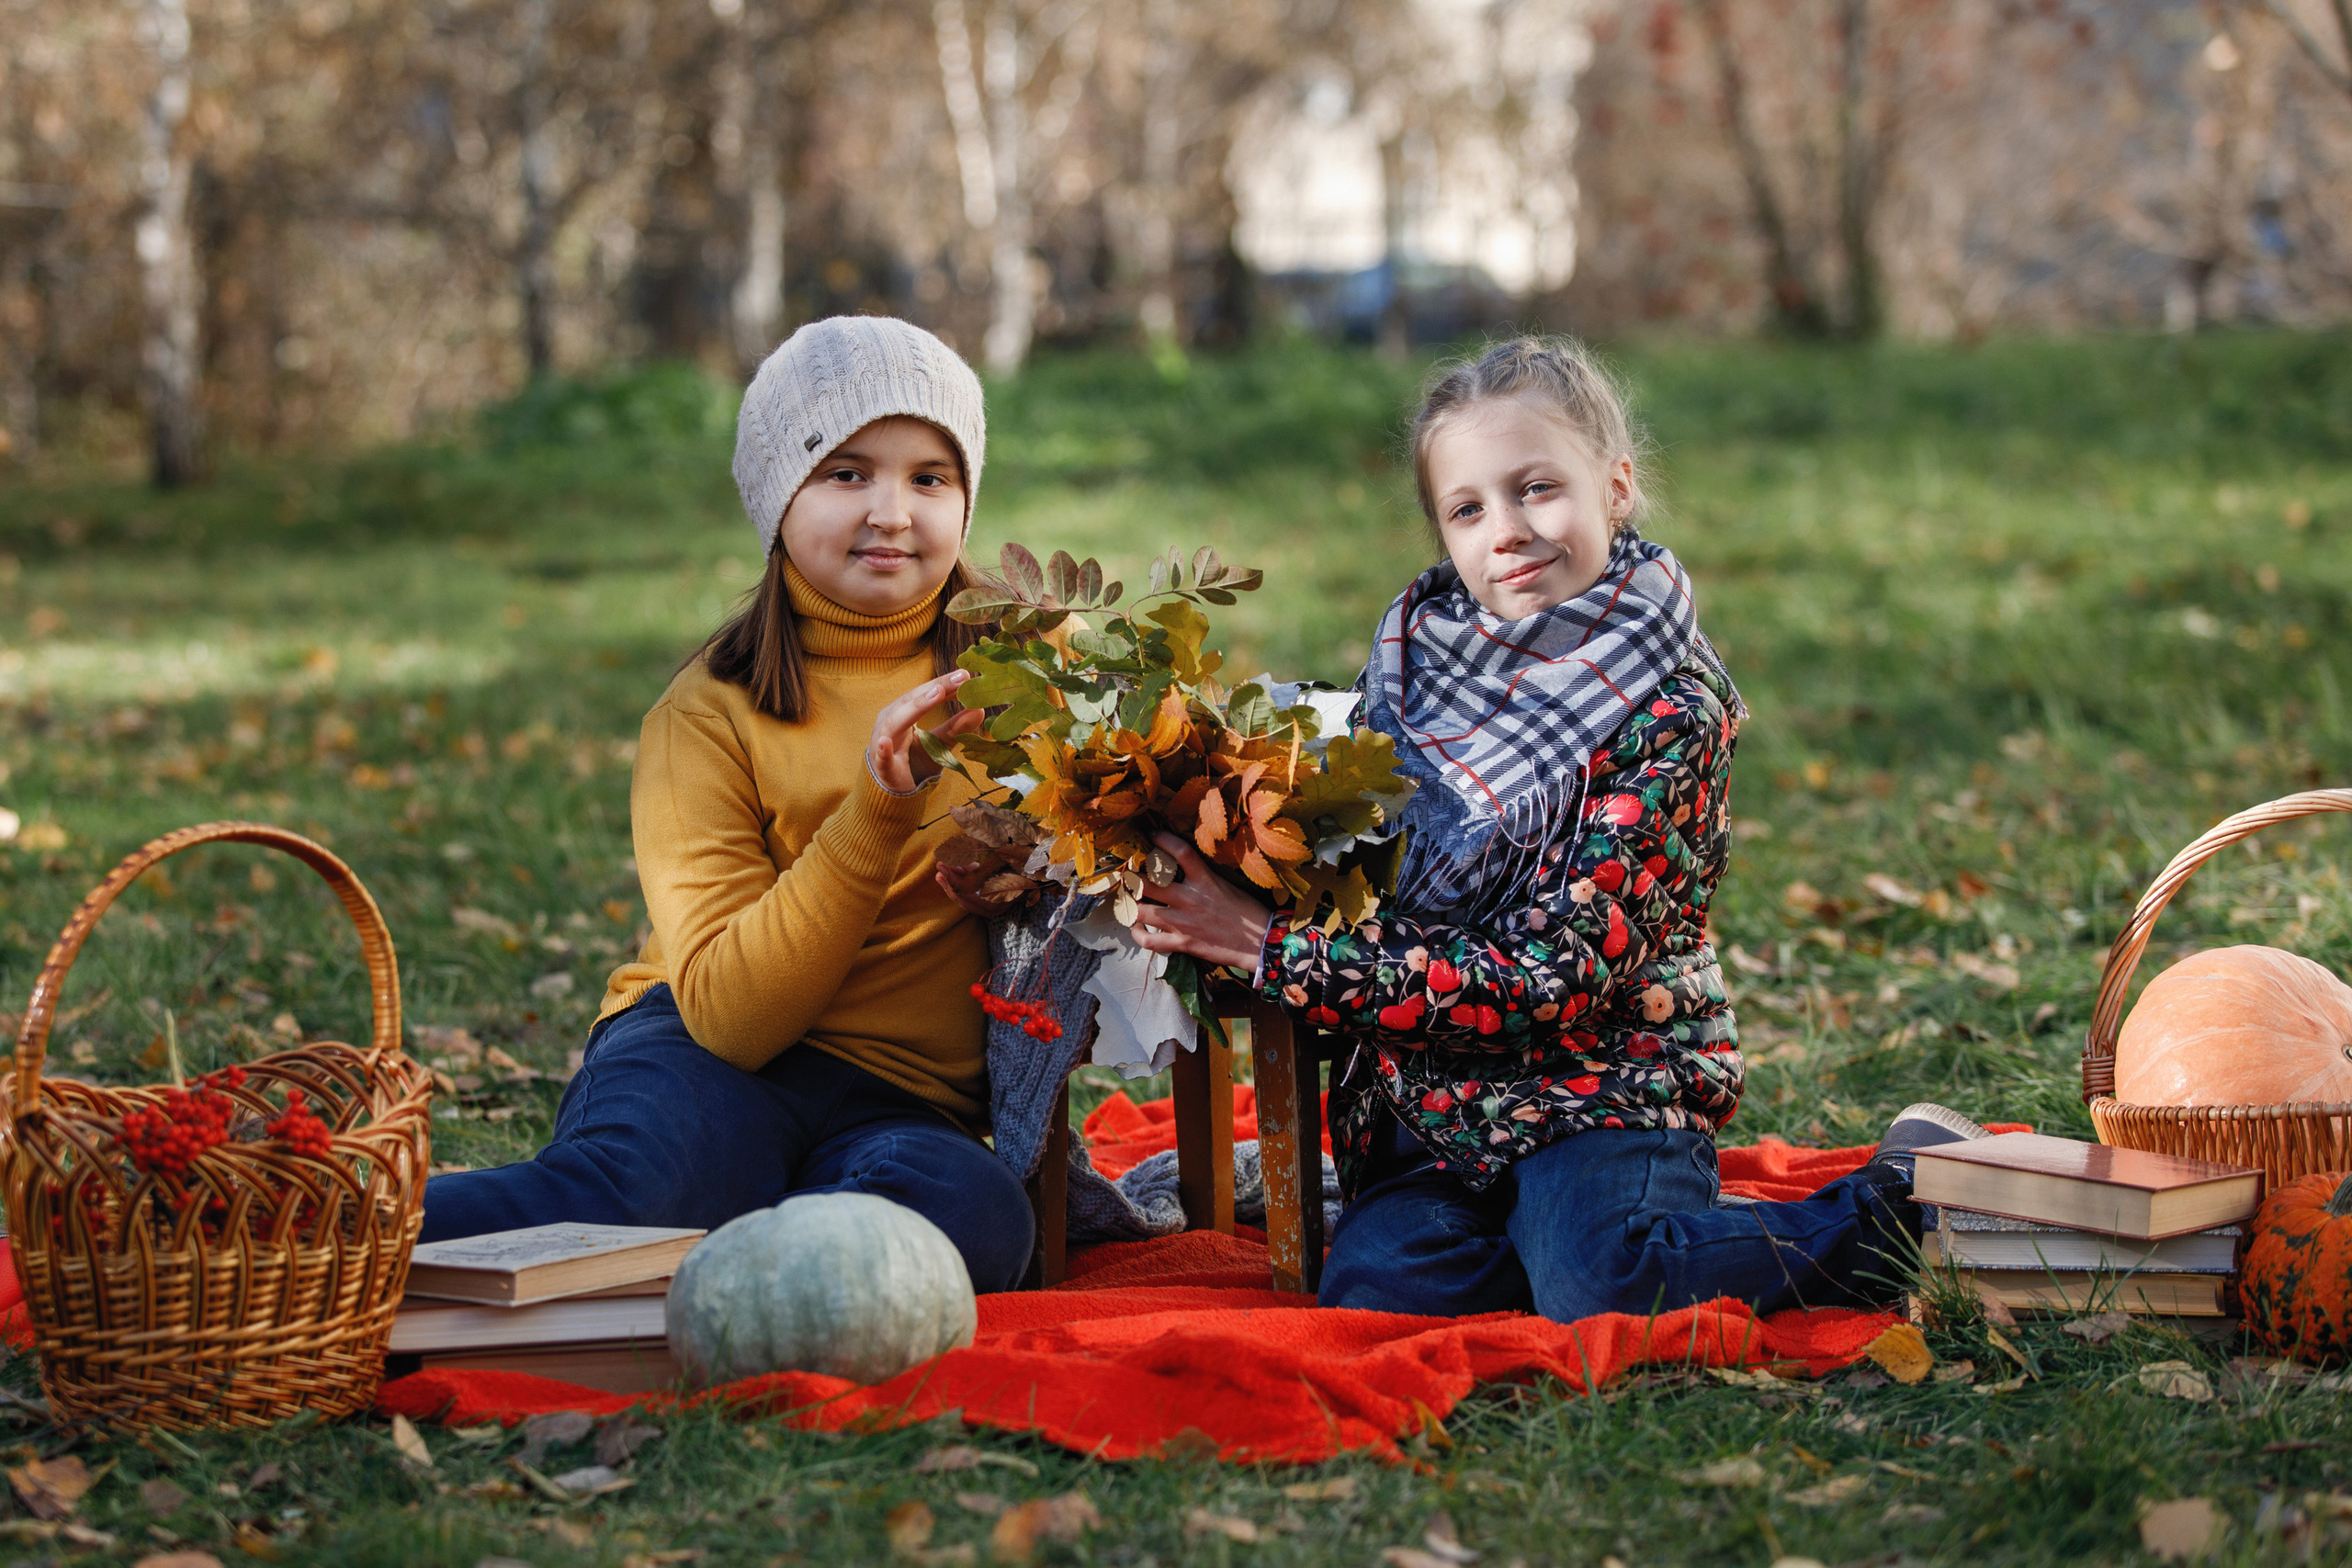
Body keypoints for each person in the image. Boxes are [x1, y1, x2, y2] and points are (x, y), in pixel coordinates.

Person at [1126, 336, 1986, 1322]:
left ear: (1615, 487)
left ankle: (1908, 1197)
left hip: (1600, 1087)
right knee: (1377, 1295)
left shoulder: (1669, 707)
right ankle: (1567, 1242)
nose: (1506, 530)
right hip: (1425, 1110)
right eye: (1467, 507)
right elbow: (1339, 873)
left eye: (1536, 489)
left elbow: (1555, 975)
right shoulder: (1411, 673)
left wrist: (1268, 948)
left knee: (1603, 1279)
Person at [419, 316, 1036, 1294]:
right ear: (777, 496)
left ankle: (735, 1256)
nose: (890, 512)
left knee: (977, 1220)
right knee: (624, 1203)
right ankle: (286, 1230)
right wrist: (880, 806)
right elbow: (732, 1022)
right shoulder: (706, 714)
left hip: (902, 1102)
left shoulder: (1026, 682)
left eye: (929, 477)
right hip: (706, 1055)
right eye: (845, 473)